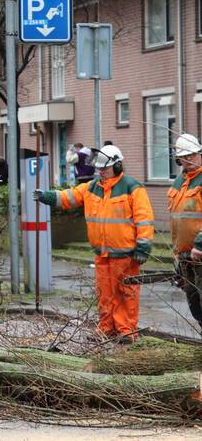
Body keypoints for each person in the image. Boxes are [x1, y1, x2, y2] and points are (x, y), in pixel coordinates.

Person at [34, 145, 154, 341]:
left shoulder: (133, 188)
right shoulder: (91, 187)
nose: (101, 172)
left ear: (117, 165)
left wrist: (144, 245)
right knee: (105, 294)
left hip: (126, 254)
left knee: (126, 293)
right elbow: (69, 196)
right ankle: (106, 328)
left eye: (104, 169)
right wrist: (46, 196)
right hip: (102, 254)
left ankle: (126, 331)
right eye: (99, 169)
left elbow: (144, 219)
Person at [168, 133, 202, 332]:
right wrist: (177, 254)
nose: (189, 160)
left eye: (192, 155)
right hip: (185, 255)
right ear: (178, 159)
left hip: (200, 254)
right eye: (184, 156)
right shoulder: (179, 182)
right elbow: (176, 221)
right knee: (194, 304)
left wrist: (201, 244)